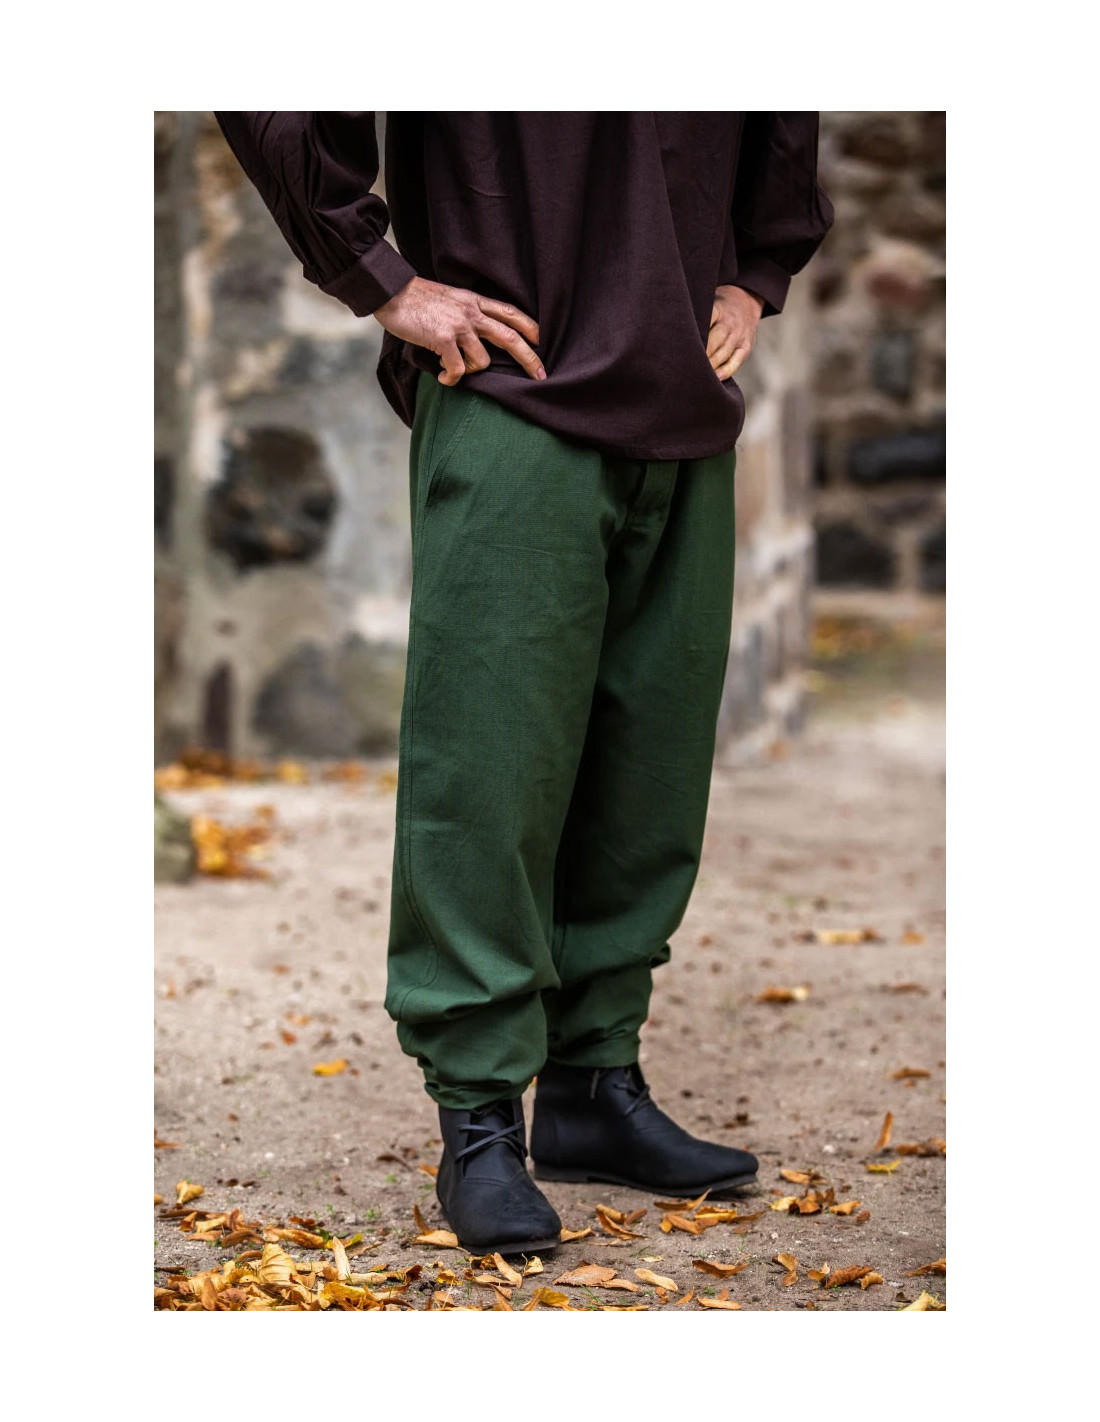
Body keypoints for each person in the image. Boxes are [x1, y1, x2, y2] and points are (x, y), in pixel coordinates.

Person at [215, 111, 833, 1255]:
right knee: (488, 767)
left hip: (681, 394)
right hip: (512, 383)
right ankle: (479, 1118)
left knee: (647, 770)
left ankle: (594, 1085)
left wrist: (756, 270)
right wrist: (381, 278)